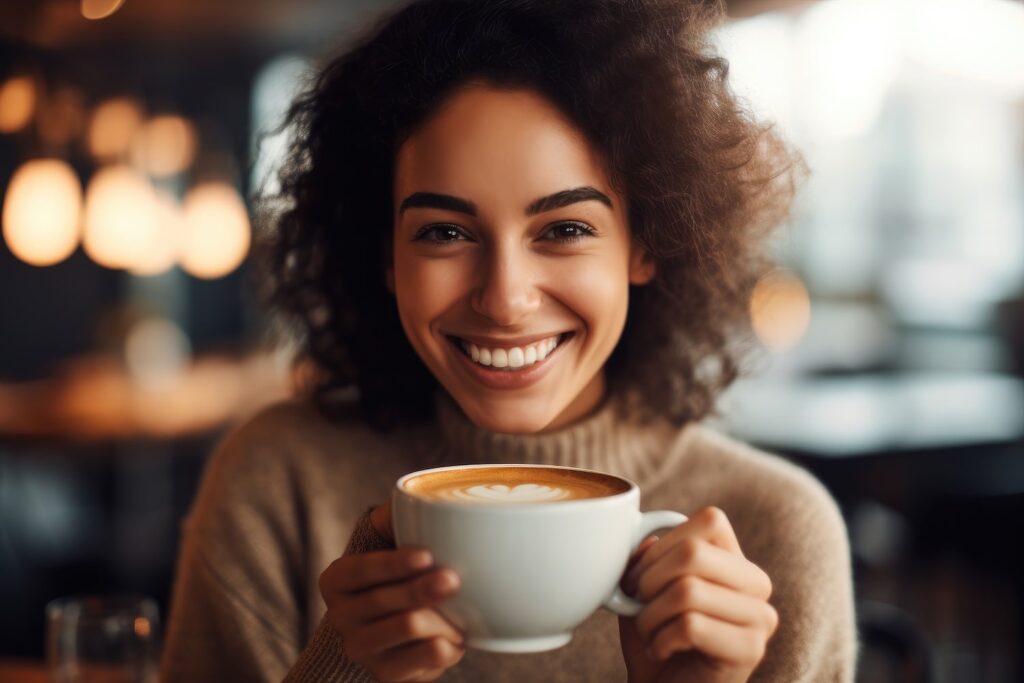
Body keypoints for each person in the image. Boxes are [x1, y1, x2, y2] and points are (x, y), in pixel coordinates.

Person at [160, 0, 857, 681]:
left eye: (564, 230)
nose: (504, 299)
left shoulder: (776, 533)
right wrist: (340, 670)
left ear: (645, 244)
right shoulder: (276, 486)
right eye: (444, 232)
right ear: (385, 256)